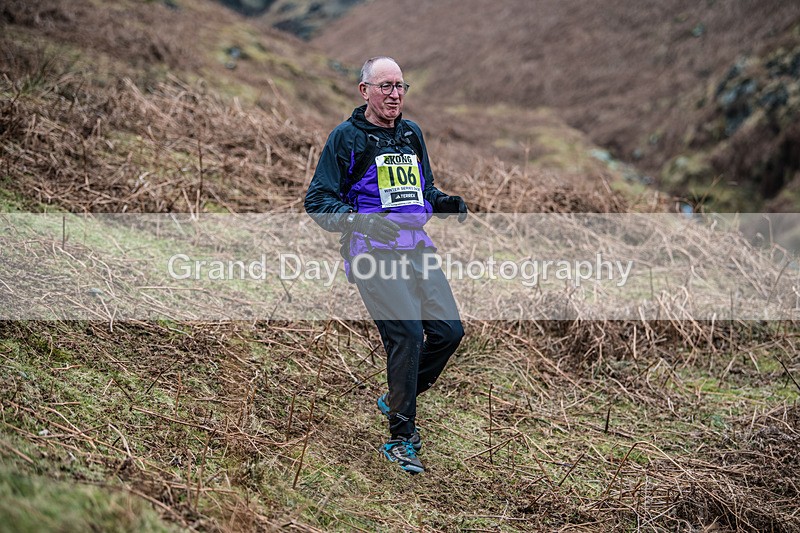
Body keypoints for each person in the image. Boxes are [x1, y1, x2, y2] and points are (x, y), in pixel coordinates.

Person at [304, 56, 468, 474]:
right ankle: (400, 439)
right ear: (365, 91)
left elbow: (423, 189)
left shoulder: (412, 134)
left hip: (416, 248)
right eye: (385, 86)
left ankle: (399, 396)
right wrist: (361, 221)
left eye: (400, 86)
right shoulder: (346, 138)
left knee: (449, 331)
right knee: (408, 334)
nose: (394, 94)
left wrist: (443, 202)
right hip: (370, 252)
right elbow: (318, 202)